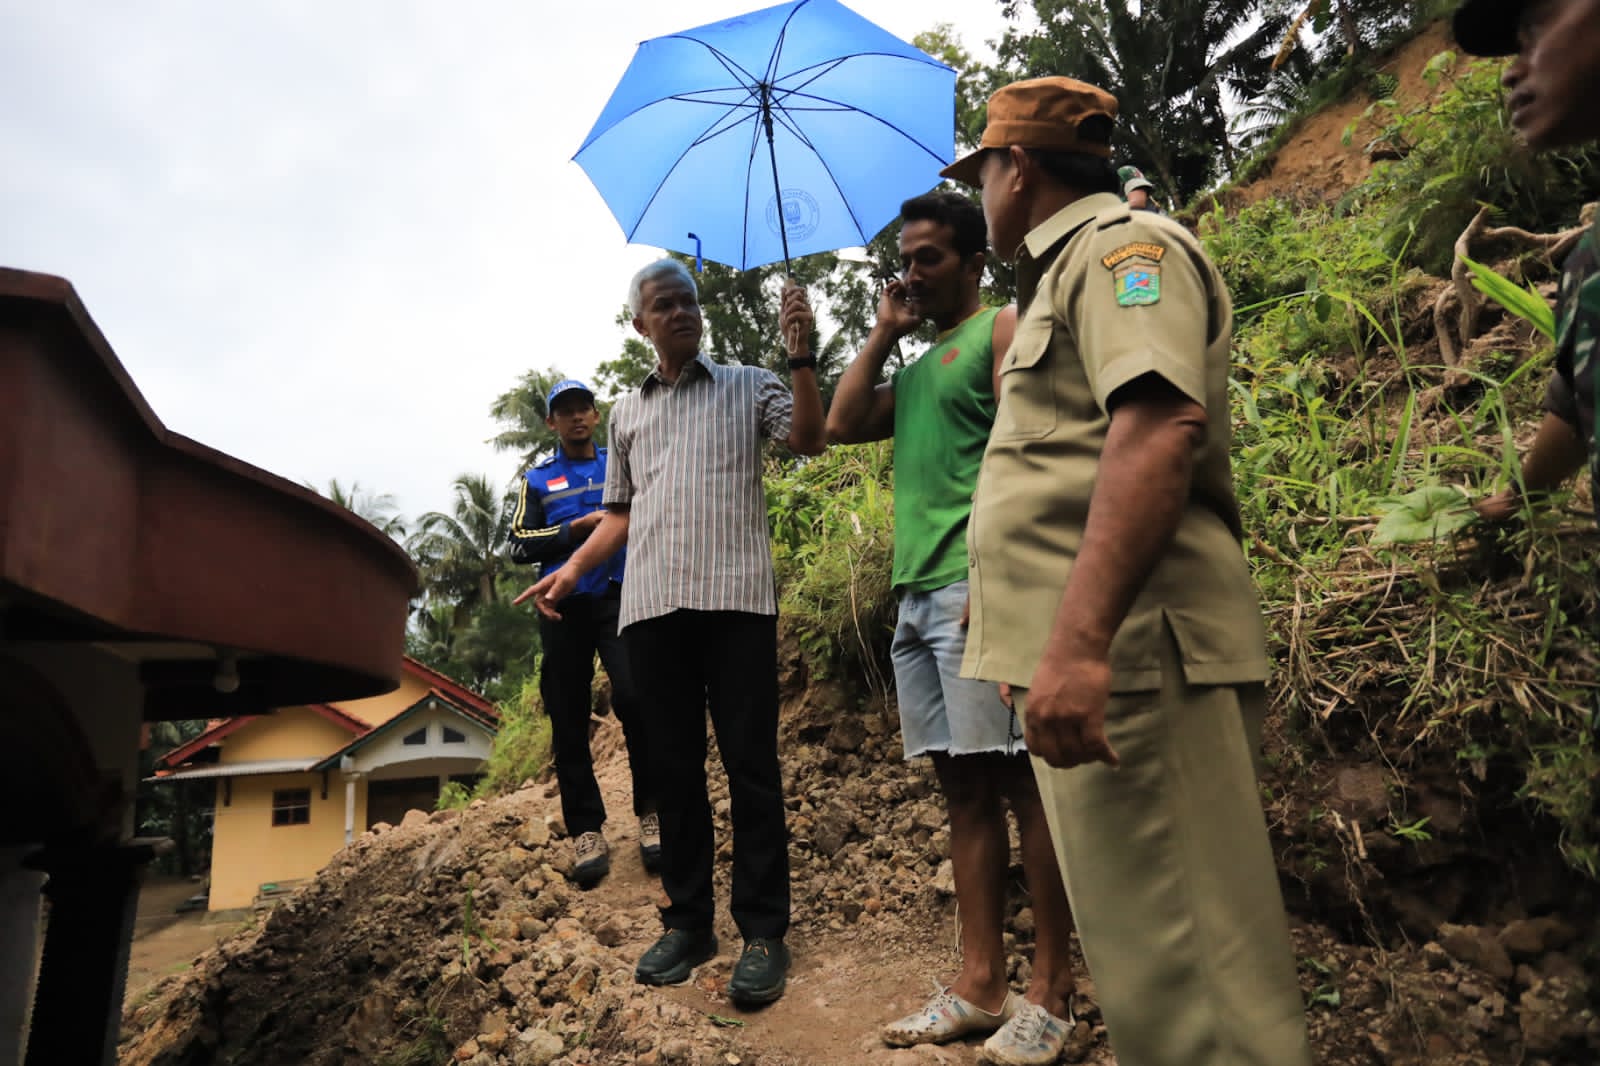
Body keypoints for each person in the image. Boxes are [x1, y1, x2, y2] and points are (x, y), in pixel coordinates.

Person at [941, 77, 1314, 1066]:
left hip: (1139, 658)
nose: (978, 192)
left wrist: (1075, 640)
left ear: (1015, 168)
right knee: (1156, 973)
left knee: (1201, 991)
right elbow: (1063, 467)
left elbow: (1157, 432)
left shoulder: (1119, 253)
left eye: (980, 170)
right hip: (1113, 662)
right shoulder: (1058, 278)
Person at [515, 259, 825, 1007]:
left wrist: (803, 354)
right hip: (651, 612)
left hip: (738, 602)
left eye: (689, 300)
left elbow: (810, 441)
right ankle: (690, 922)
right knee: (676, 770)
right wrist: (571, 570)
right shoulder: (626, 414)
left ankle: (763, 932)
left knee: (751, 768)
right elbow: (620, 513)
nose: (682, 311)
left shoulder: (753, 385)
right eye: (664, 304)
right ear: (639, 324)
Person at [825, 190, 1079, 1065]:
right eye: (905, 255)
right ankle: (980, 985)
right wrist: (883, 330)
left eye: (929, 256)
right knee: (962, 792)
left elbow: (1031, 449)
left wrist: (998, 573)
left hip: (980, 591)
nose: (911, 270)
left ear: (974, 263)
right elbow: (839, 422)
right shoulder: (922, 364)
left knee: (1020, 785)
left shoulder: (1001, 330)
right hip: (916, 600)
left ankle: (1053, 992)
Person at [508, 378, 658, 887]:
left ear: (596, 416)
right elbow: (517, 544)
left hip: (621, 596)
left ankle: (652, 814)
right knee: (568, 716)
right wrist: (572, 531)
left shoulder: (620, 463)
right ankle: (587, 830)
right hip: (562, 606)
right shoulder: (537, 479)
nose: (575, 418)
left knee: (637, 699)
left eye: (583, 408)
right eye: (564, 411)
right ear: (551, 422)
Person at [1461, 0, 1600, 530]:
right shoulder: (1591, 258)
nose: (1511, 72)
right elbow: (1577, 392)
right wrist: (1518, 501)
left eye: (1535, 31)